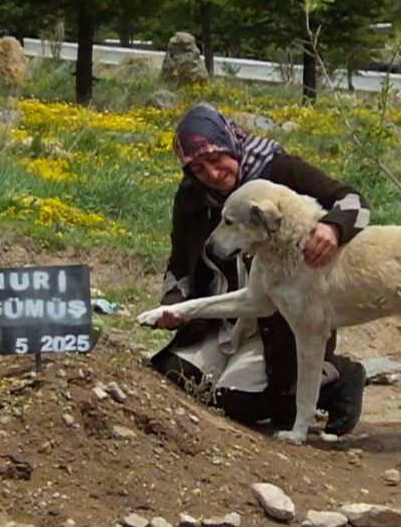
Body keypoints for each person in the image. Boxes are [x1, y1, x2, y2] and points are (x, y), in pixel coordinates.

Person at [147, 102, 369, 435]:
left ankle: (337, 376)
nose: (212, 174)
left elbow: (354, 201)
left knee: (234, 403)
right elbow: (179, 261)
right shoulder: (192, 198)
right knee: (174, 374)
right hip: (227, 317)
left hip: (276, 320)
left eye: (215, 159)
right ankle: (275, 386)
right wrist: (174, 300)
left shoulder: (278, 172)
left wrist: (334, 228)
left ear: (230, 144)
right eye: (198, 169)